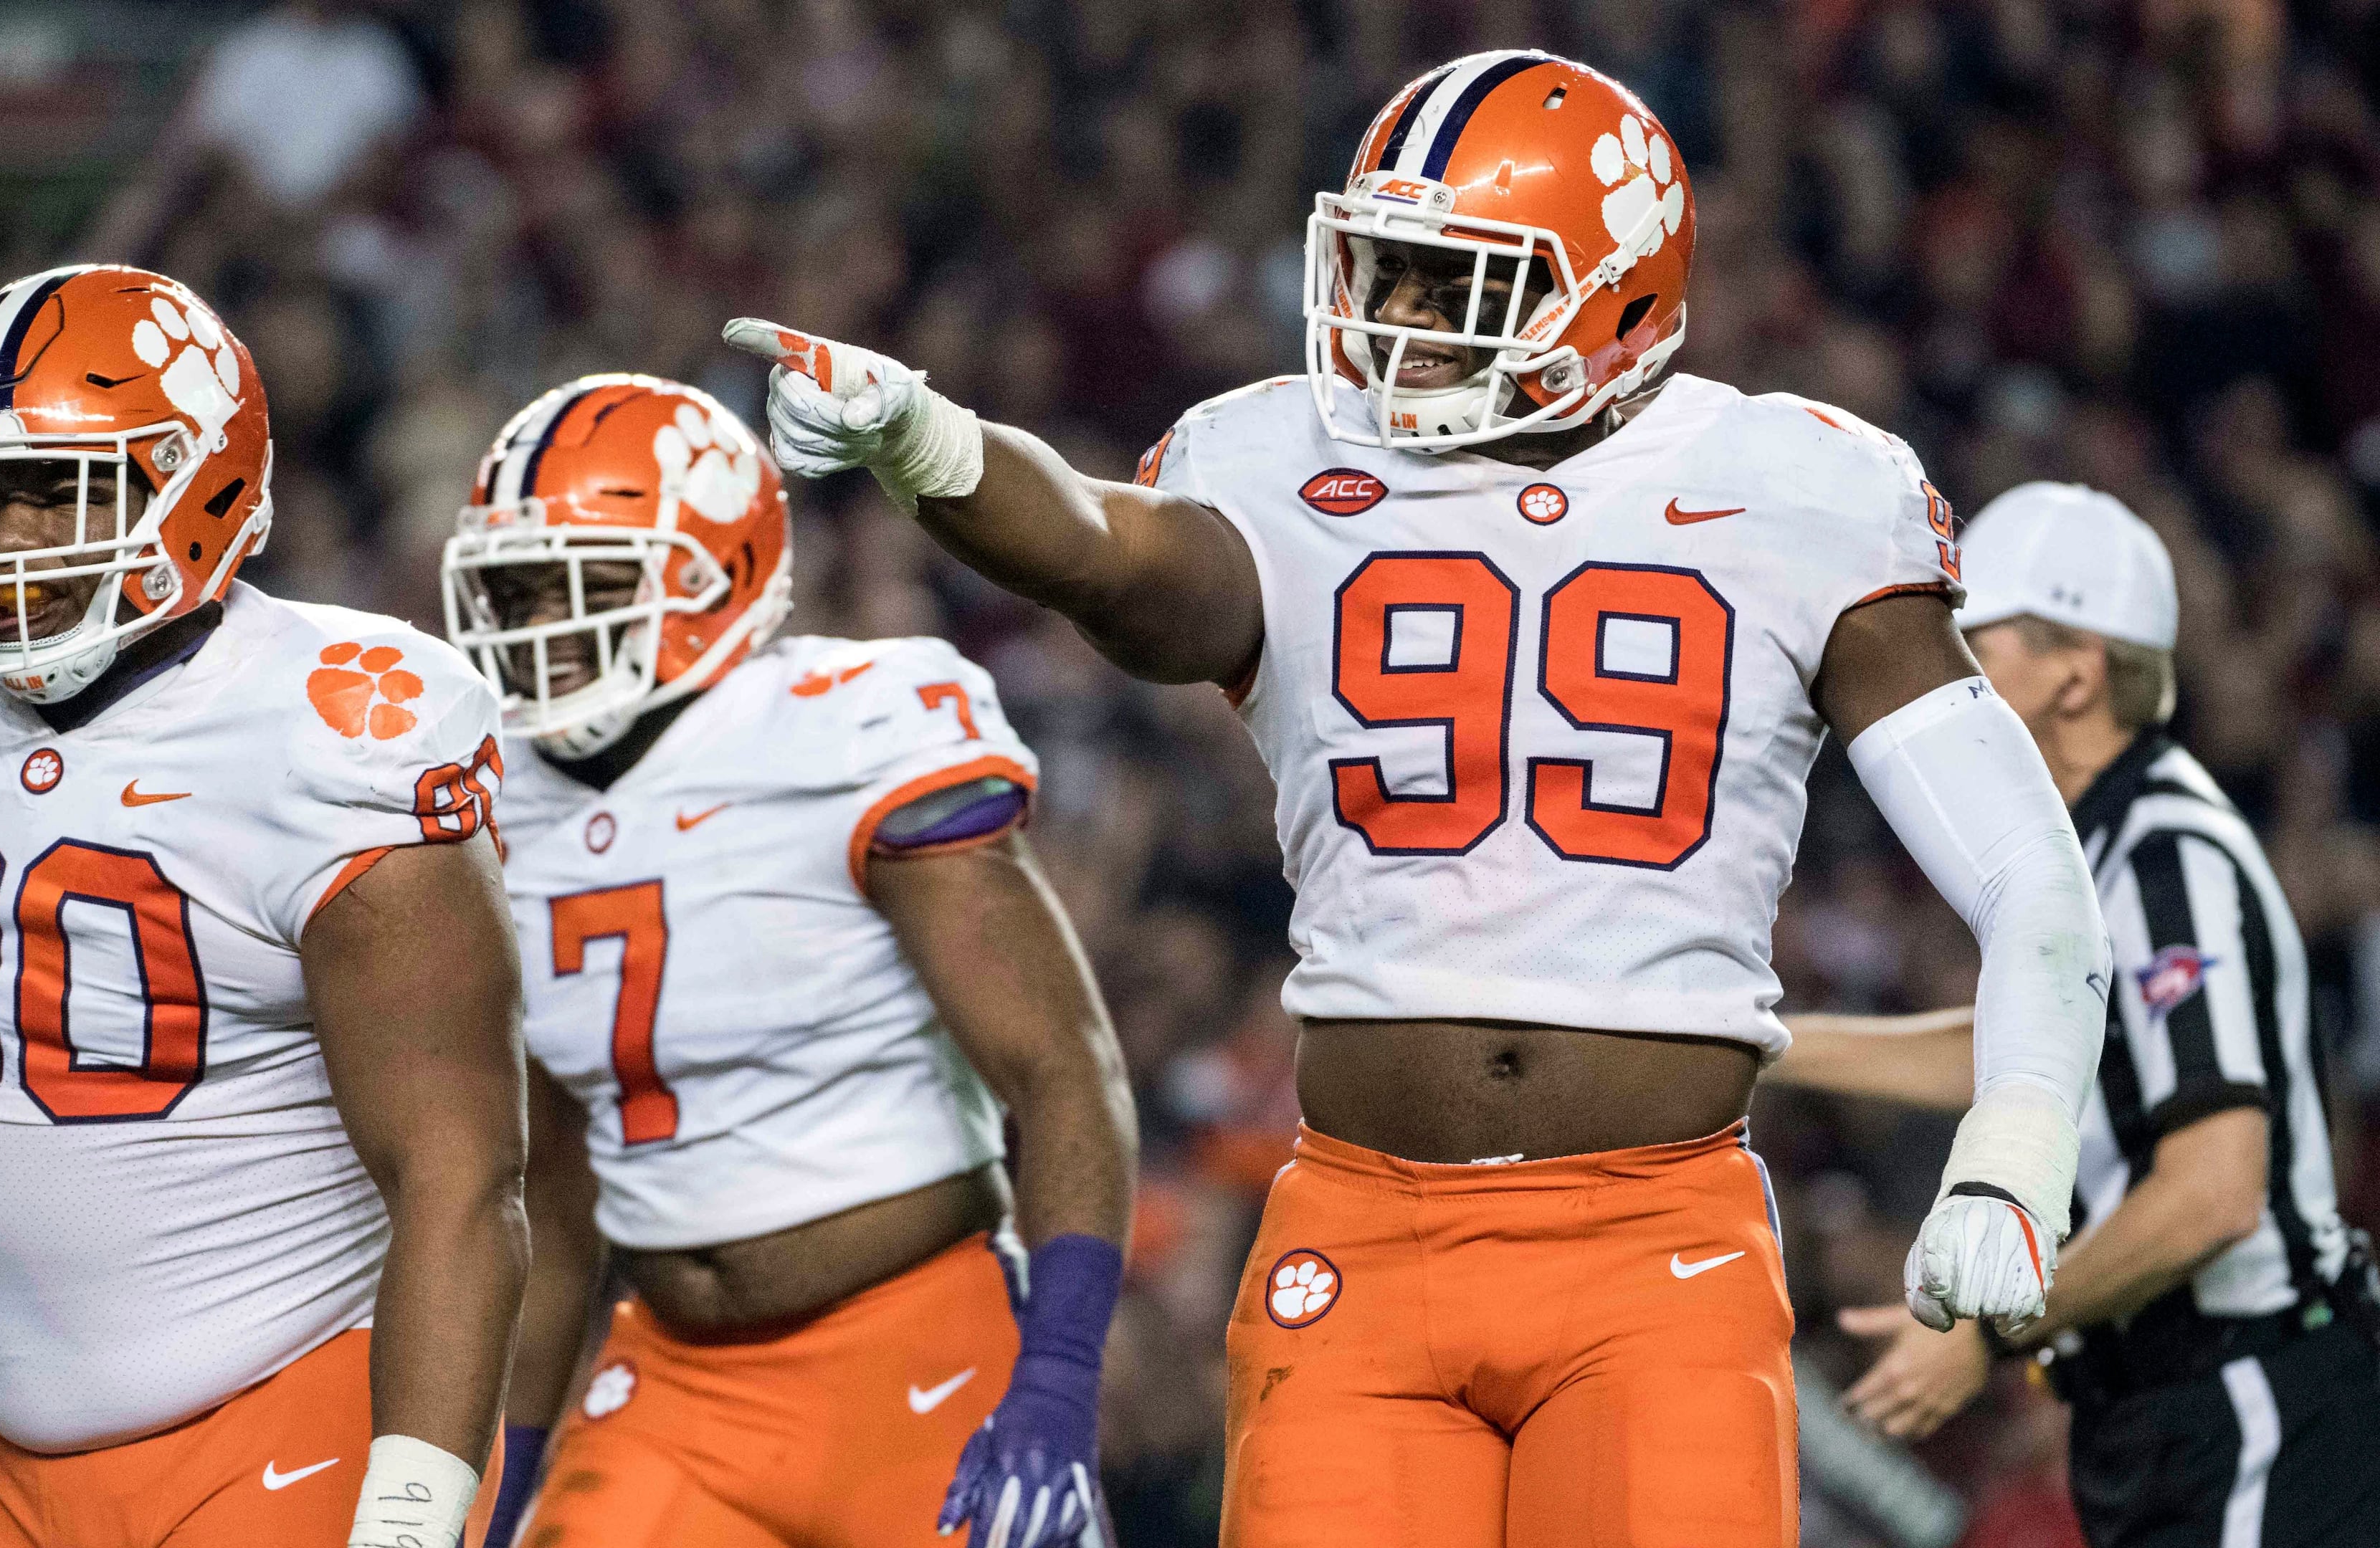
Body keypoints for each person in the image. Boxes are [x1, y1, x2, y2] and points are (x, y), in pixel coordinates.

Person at [725, 49, 2111, 1547]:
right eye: (1383, 275)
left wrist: (2016, 1159)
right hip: (1358, 1230)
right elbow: (1107, 559)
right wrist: (932, 442)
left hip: (1656, 1238)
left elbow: (2030, 877)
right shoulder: (1285, 462)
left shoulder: (1797, 489)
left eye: (1452, 286)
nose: (1391, 324)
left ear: (1616, 292)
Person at [0, 264, 529, 1548]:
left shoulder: (337, 730)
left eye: (62, 490)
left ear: (201, 480)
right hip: (10, 1452)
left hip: (294, 1419)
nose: (6, 539)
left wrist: (405, 1516)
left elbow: (460, 1175)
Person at [441, 375, 1136, 1548]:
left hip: (915, 1344)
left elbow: (1065, 1073)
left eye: (588, 586)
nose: (542, 631)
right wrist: (494, 1489)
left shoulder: (846, 727)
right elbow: (553, 1209)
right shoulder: (493, 798)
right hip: (671, 1378)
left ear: (714, 575)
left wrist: (1059, 1377)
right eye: (515, 592)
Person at [1771, 482, 2380, 1546]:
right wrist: (1762, 1046)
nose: (1947, 674)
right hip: (2182, 1409)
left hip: (2249, 1404)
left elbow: (2214, 1194)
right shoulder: (2109, 848)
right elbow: (2027, 1053)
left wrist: (1993, 1335)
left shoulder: (2163, 853)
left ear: (2076, 673)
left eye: (1977, 644)